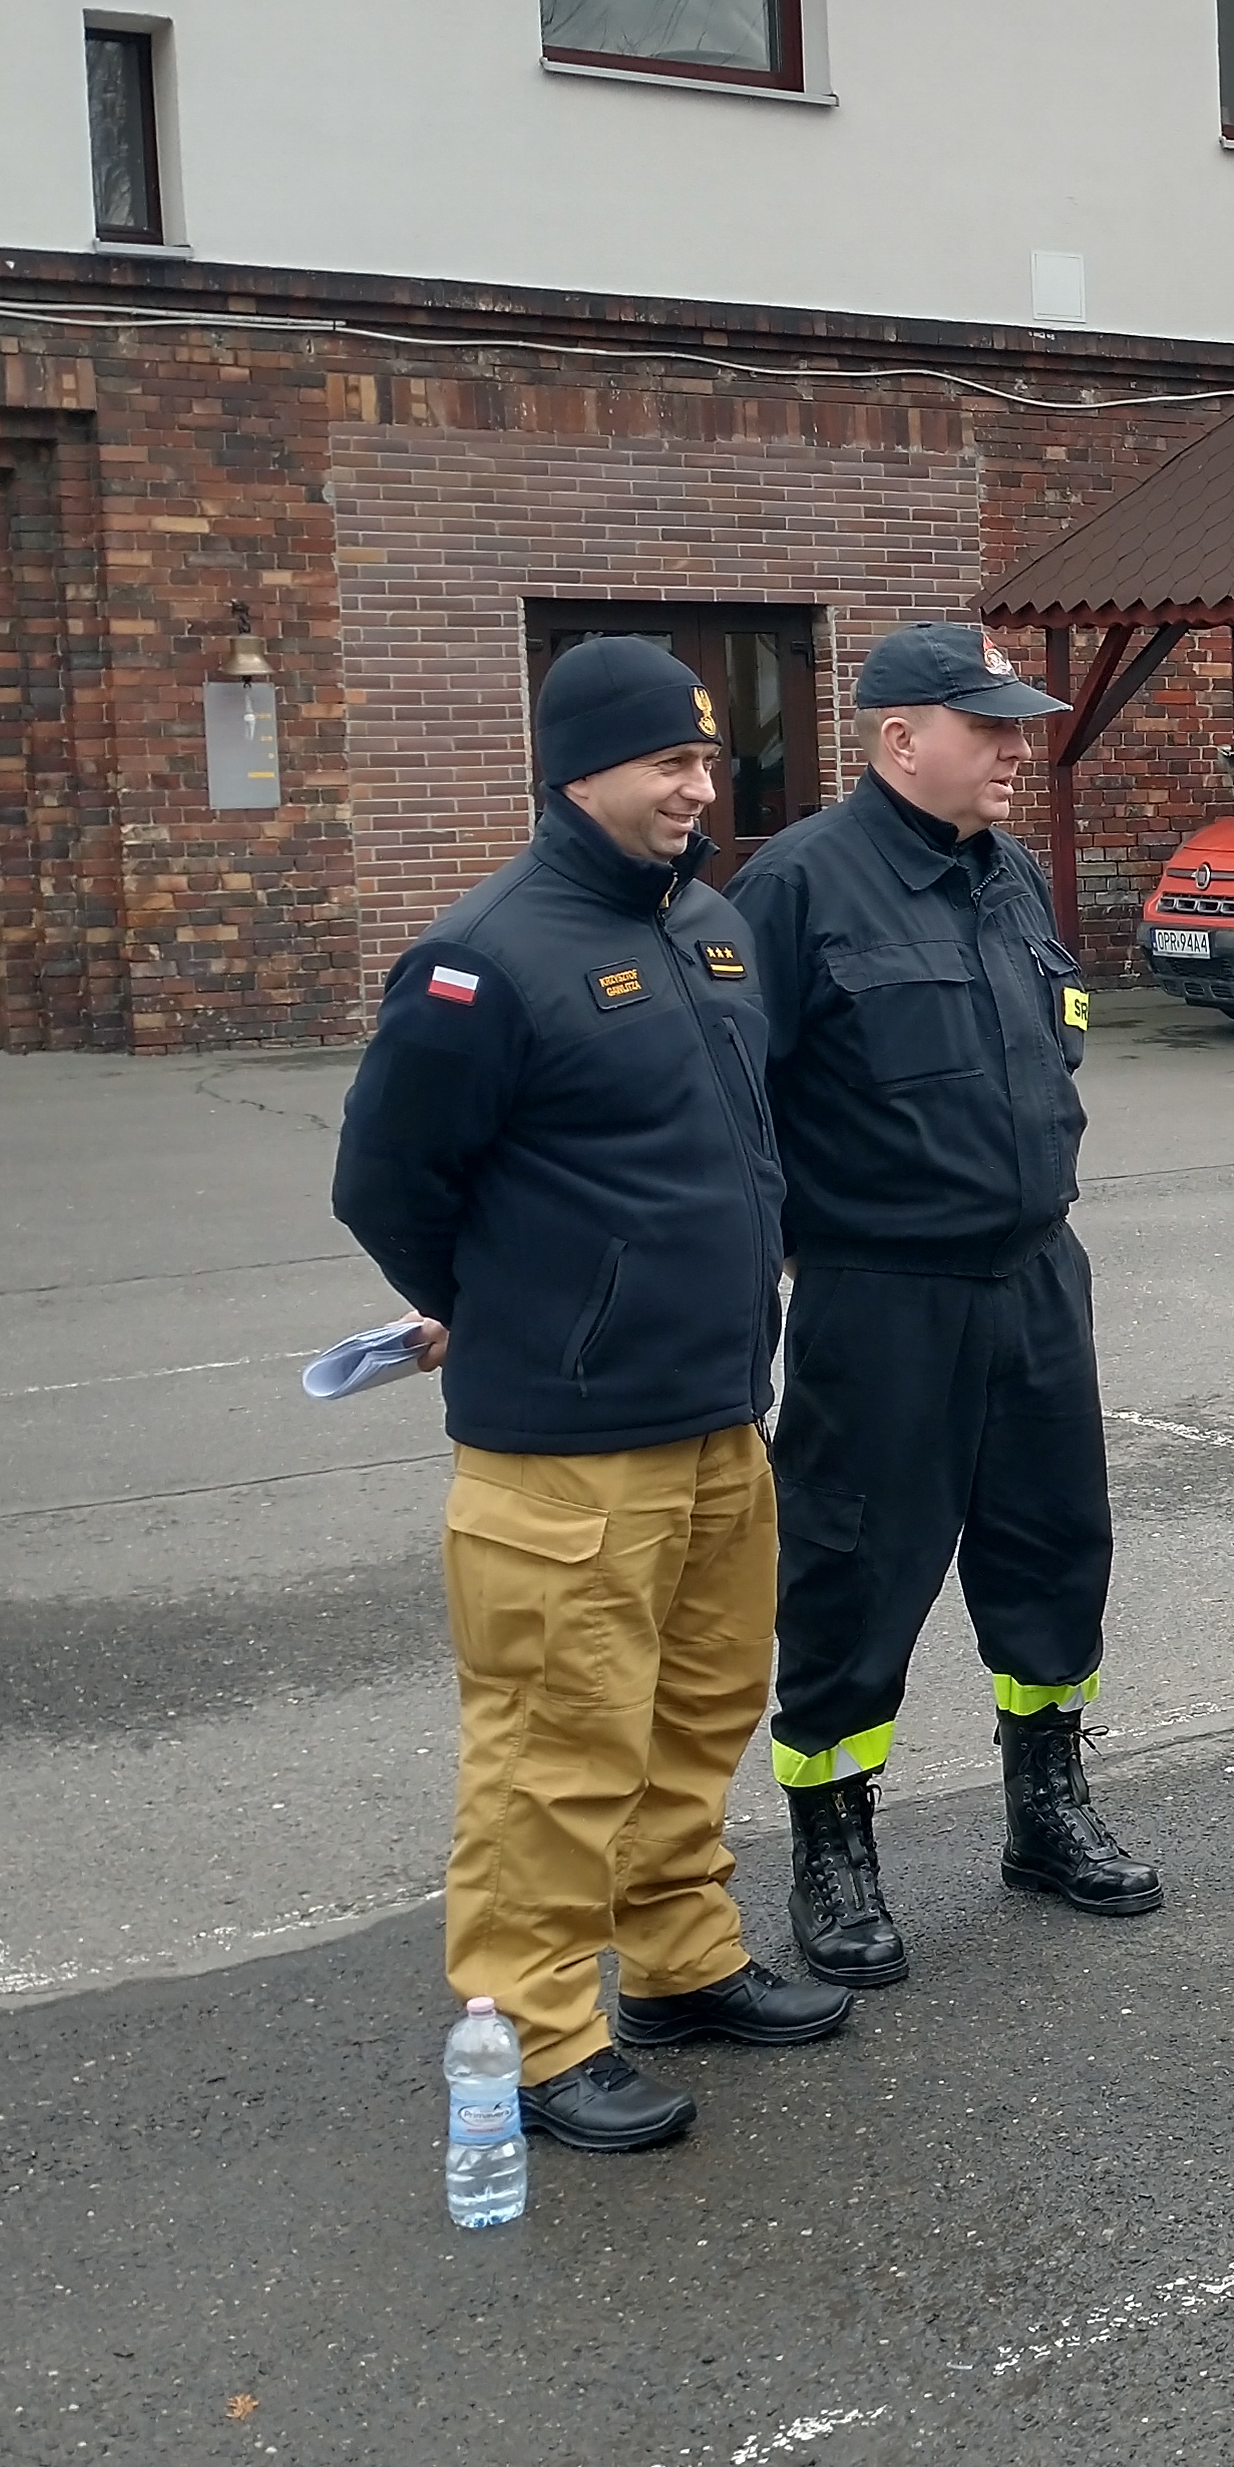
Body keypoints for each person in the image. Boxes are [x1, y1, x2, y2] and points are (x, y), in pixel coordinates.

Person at [332, 636, 850, 2157]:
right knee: (556, 1751)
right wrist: (497, 1305)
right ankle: (536, 2035)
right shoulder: (482, 959)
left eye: (708, 761)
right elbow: (386, 1181)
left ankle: (680, 1961)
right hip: (564, 1445)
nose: (699, 789)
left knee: (697, 1710)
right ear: (577, 771)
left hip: (717, 1414)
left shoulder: (708, 925)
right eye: (668, 763)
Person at [727, 623, 1159, 1994]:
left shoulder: (1009, 874)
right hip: (884, 1294)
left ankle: (1047, 1806)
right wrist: (788, 1262)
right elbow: (736, 1109)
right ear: (901, 738)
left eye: (1021, 724)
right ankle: (833, 1847)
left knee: (1055, 1549)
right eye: (991, 727)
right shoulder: (796, 886)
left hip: (1034, 1273)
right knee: (855, 1570)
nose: (1019, 749)